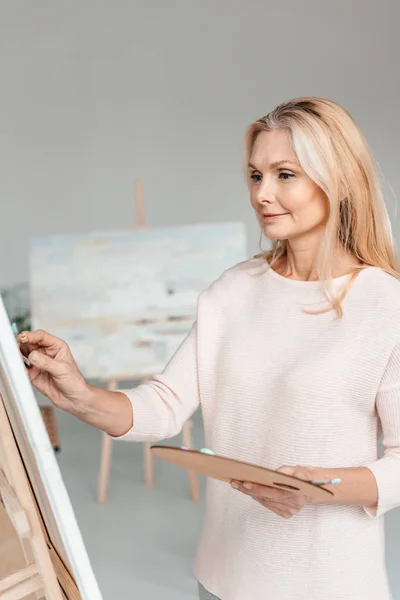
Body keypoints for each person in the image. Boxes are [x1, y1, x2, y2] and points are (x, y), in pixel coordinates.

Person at [20, 97, 400, 600]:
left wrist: (317, 486)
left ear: (340, 180)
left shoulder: (385, 305)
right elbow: (163, 405)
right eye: (255, 175)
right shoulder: (234, 290)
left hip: (329, 584)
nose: (262, 193)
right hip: (221, 580)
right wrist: (79, 393)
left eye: (285, 174)